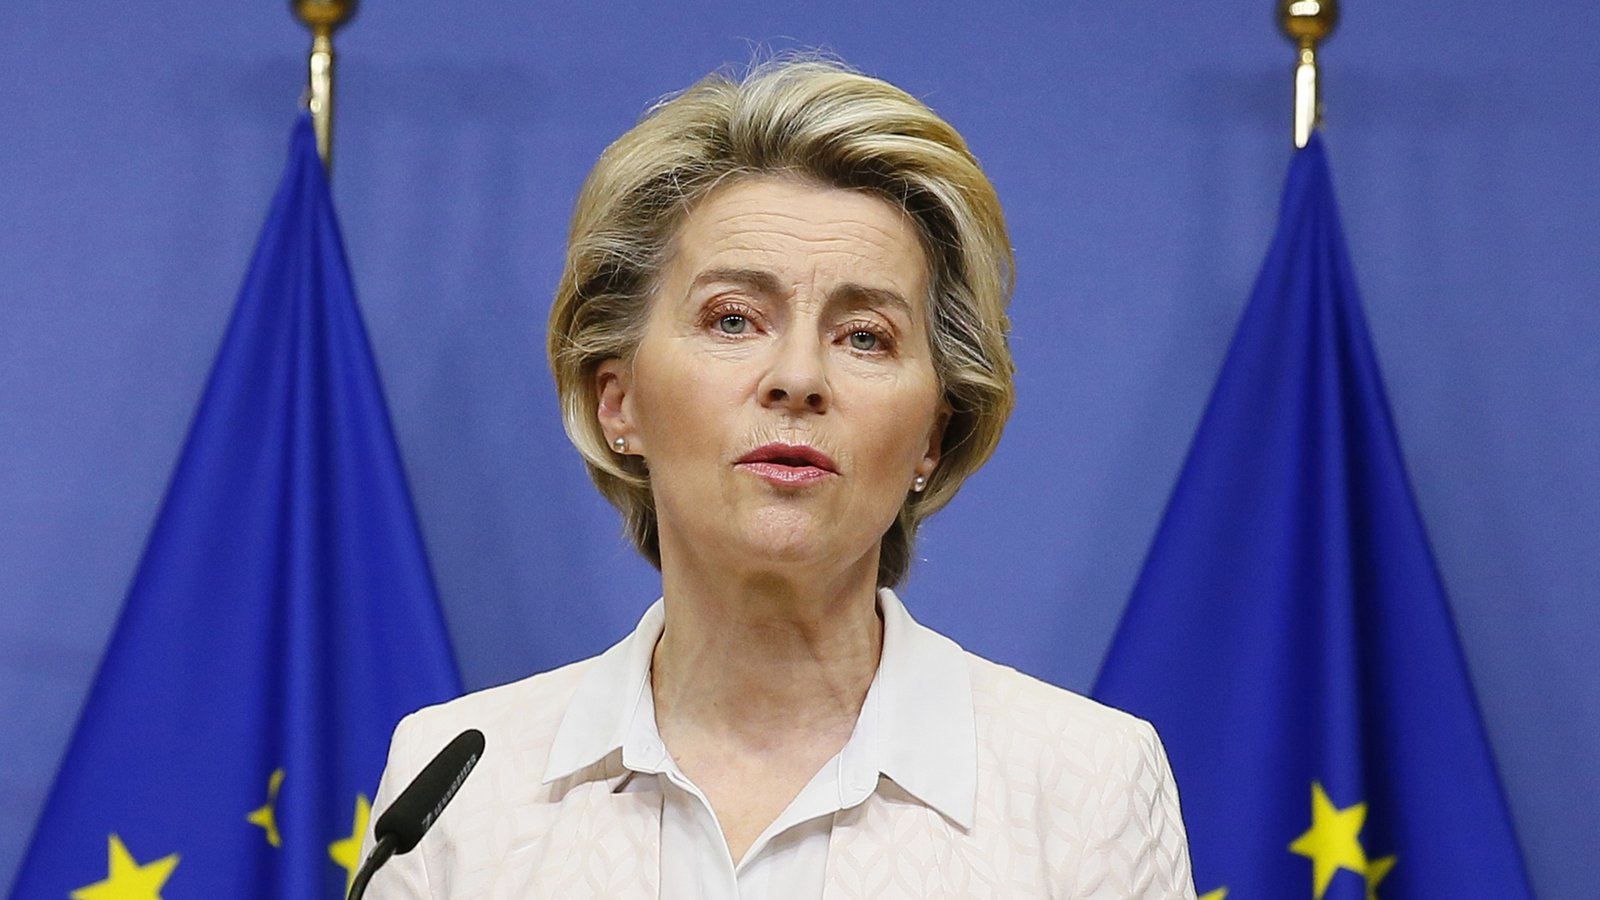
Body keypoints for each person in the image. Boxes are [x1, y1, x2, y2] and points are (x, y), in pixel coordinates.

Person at [361, 57, 1195, 899]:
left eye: (864, 336)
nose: (798, 378)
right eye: (733, 320)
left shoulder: (1085, 787)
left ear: (932, 436)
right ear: (619, 403)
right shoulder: (459, 789)